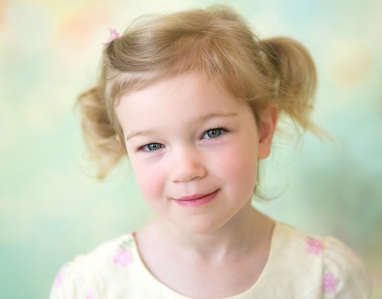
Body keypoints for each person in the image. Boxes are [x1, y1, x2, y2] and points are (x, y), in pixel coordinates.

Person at [49, 5, 372, 299]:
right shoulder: (92, 286)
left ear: (263, 130)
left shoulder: (324, 277)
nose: (185, 169)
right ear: (127, 152)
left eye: (212, 133)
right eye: (152, 146)